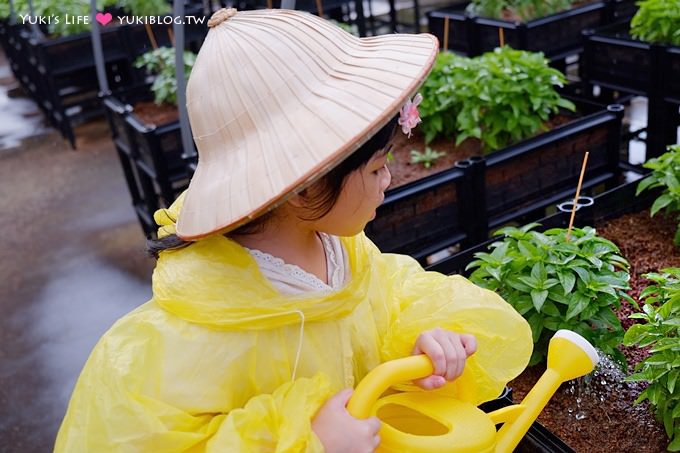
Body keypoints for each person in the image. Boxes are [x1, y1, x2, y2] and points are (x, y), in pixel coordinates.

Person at [55, 8, 532, 452]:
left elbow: (387, 298)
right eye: (376, 168)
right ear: (303, 189)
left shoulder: (340, 248)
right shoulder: (180, 339)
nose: (389, 179)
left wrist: (422, 336)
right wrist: (305, 439)